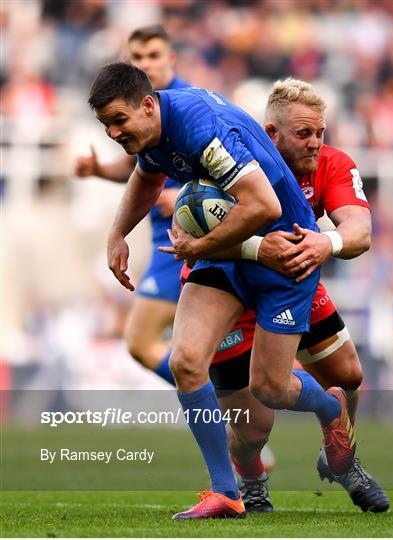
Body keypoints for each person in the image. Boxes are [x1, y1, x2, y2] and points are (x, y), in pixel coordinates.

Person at [88, 62, 357, 520]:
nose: (114, 132)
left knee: (270, 389)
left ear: (148, 105)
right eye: (106, 124)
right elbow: (146, 176)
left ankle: (331, 408)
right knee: (186, 361)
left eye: (119, 120)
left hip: (283, 255)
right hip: (234, 253)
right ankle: (225, 492)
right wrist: (117, 234)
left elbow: (263, 204)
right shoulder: (156, 132)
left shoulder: (200, 128)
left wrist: (197, 245)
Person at [172, 78, 388, 514]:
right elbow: (195, 228)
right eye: (303, 134)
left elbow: (359, 231)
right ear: (271, 133)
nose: (314, 143)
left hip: (290, 280)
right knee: (253, 428)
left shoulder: (331, 164)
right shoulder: (232, 158)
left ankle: (342, 458)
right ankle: (250, 485)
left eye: (320, 133)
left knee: (347, 373)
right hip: (228, 283)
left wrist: (327, 243)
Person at [74, 25, 190, 385]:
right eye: (138, 57)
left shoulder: (187, 103)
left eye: (153, 55)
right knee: (164, 346)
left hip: (193, 237)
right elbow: (137, 167)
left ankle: (219, 396)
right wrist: (98, 170)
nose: (147, 63)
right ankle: (224, 402)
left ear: (170, 57)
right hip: (163, 238)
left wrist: (186, 195)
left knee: (143, 341)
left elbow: (225, 168)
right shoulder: (135, 112)